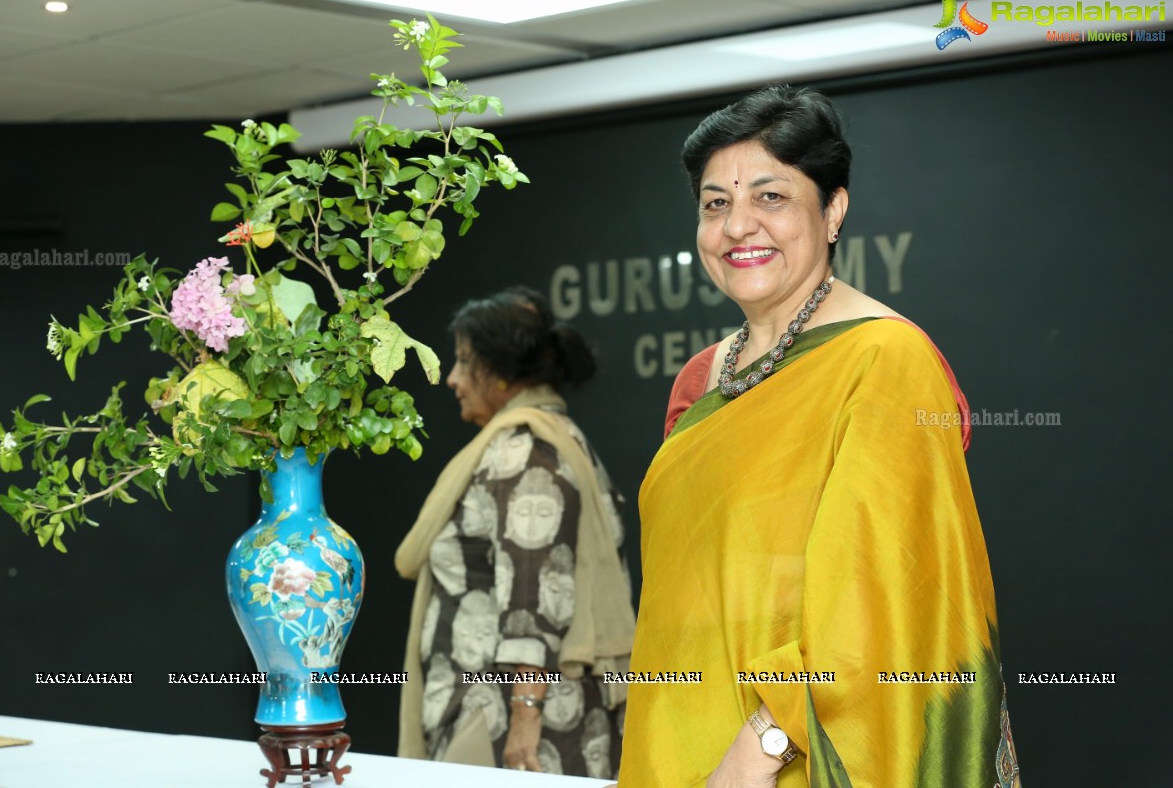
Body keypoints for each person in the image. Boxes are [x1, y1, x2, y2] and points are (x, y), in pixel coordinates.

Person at [616, 85, 1021, 787]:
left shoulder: (885, 362)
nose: (738, 226)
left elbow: (884, 598)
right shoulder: (699, 382)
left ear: (833, 211)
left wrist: (765, 746)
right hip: (675, 738)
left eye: (770, 197)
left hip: (790, 759)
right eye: (716, 204)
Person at [396, 286, 634, 778]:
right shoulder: (550, 439)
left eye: (464, 362)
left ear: (502, 374)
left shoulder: (526, 455)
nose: (454, 379)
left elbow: (534, 602)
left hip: (512, 733)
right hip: (512, 718)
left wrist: (524, 723)